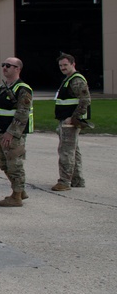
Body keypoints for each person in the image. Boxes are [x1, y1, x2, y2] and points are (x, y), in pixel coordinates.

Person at [0, 57, 33, 207]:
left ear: (17, 69)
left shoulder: (23, 89)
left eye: (9, 66)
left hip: (12, 135)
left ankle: (16, 196)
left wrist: (11, 133)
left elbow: (23, 113)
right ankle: (20, 190)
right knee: (3, 163)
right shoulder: (1, 87)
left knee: (14, 163)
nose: (5, 68)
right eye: (3, 65)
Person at [52, 53, 91, 191]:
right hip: (66, 119)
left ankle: (64, 182)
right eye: (61, 65)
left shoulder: (76, 80)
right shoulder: (68, 79)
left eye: (65, 65)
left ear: (73, 64)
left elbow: (85, 100)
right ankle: (77, 180)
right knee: (74, 150)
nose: (62, 68)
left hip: (70, 121)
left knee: (66, 151)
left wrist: (73, 118)